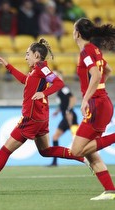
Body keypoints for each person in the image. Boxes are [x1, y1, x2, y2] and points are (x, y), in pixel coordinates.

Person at [0, 38, 88, 194]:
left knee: (5, 151)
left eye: (27, 54)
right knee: (45, 151)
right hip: (40, 117)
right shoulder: (36, 70)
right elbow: (25, 80)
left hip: (31, 118)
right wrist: (9, 66)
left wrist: (43, 92)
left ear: (36, 55)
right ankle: (82, 156)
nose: (25, 57)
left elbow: (59, 84)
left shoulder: (42, 68)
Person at [69, 17, 115, 200]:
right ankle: (110, 190)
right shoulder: (94, 49)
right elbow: (108, 70)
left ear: (77, 33)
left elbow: (96, 74)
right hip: (101, 102)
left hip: (97, 105)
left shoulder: (86, 52)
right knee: (90, 151)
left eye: (73, 29)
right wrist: (100, 88)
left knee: (77, 151)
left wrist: (86, 99)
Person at [50, 70, 78, 166]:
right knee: (55, 137)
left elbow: (73, 98)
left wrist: (68, 110)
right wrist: (57, 111)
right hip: (65, 117)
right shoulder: (59, 89)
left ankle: (90, 158)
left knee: (77, 140)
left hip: (70, 116)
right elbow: (63, 102)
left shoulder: (63, 87)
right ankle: (55, 162)